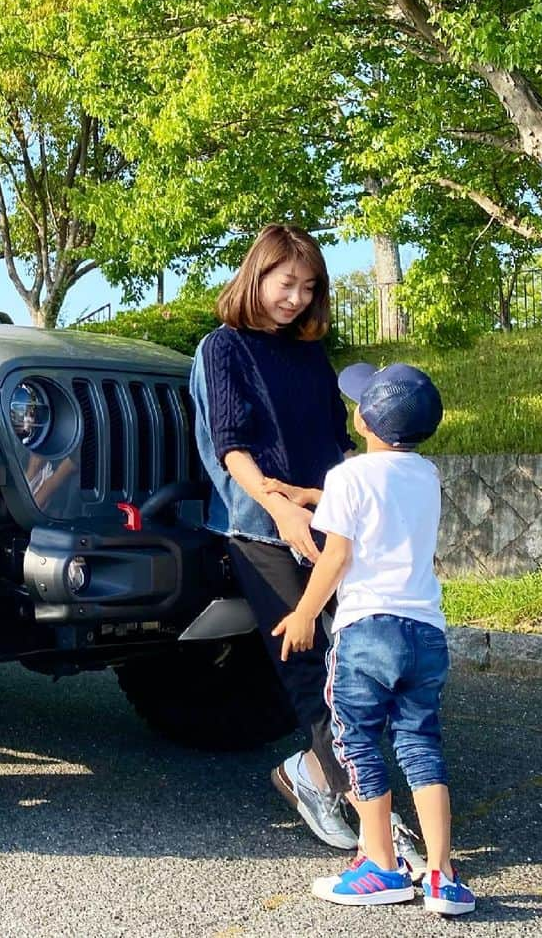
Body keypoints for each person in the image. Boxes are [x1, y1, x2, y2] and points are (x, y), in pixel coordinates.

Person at [272, 362, 477, 915]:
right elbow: (380, 502)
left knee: (358, 742)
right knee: (420, 745)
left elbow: (337, 553)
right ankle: (441, 875)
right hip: (425, 632)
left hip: (367, 630)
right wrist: (312, 494)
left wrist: (303, 614)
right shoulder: (426, 474)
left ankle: (381, 867)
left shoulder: (349, 477)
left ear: (364, 419)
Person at [190, 223, 360, 851]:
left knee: (357, 661)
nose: (295, 298)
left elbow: (336, 439)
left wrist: (347, 502)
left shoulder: (311, 353)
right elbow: (229, 446)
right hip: (259, 524)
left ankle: (315, 774)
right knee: (309, 666)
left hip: (326, 520)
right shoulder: (224, 347)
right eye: (285, 283)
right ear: (256, 276)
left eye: (307, 288)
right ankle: (365, 807)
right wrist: (279, 509)